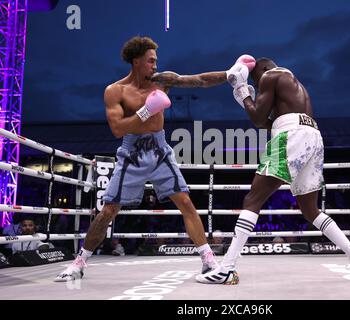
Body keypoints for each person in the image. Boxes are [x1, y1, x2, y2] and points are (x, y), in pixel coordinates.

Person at [55, 36, 254, 281]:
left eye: (156, 61)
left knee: (185, 202)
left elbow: (199, 81)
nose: (155, 66)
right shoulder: (115, 91)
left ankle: (208, 260)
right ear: (136, 61)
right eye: (150, 61)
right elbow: (117, 129)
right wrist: (148, 109)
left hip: (160, 149)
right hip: (132, 153)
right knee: (108, 209)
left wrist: (228, 74)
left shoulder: (162, 81)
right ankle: (79, 262)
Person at [197, 57, 350, 285]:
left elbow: (257, 117)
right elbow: (265, 123)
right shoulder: (292, 87)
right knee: (310, 210)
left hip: (291, 136)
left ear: (262, 70)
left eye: (256, 81)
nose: (259, 85)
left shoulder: (271, 75)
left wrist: (242, 89)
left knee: (253, 198)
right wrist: (247, 99)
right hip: (312, 138)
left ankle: (227, 269)